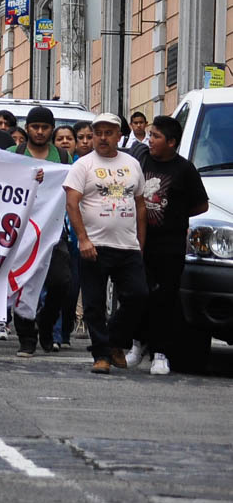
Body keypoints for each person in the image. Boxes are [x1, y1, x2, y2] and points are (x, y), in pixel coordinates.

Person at [65, 112, 149, 374]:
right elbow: (72, 202)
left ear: (118, 136)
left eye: (108, 132)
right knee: (94, 303)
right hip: (95, 245)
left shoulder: (132, 164)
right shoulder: (84, 165)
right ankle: (101, 355)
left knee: (138, 296)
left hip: (127, 246)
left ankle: (114, 341)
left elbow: (140, 204)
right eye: (97, 132)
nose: (102, 137)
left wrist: (140, 243)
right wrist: (83, 239)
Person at [130, 115, 208, 374]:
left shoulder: (184, 169)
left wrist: (175, 216)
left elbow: (201, 204)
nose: (150, 140)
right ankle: (136, 343)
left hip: (170, 246)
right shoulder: (140, 162)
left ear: (172, 142)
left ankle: (160, 353)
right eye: (150, 135)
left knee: (164, 299)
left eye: (156, 136)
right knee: (138, 295)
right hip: (140, 242)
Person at [11, 106, 75, 358]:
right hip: (19, 233)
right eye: (35, 127)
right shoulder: (13, 153)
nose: (39, 131)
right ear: (27, 128)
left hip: (53, 233)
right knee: (22, 284)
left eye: (44, 127)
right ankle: (26, 337)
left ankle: (46, 324)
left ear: (51, 129)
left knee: (61, 281)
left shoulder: (61, 158)